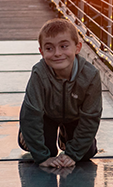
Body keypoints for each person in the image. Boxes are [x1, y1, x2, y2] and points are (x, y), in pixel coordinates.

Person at [18, 18, 102, 169]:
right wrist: (42, 158)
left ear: (77, 47)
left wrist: (73, 154)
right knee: (46, 151)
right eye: (49, 49)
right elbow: (30, 113)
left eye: (64, 46)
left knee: (86, 153)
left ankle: (65, 134)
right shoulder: (39, 73)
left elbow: (91, 117)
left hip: (74, 116)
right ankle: (27, 136)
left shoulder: (90, 75)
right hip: (47, 115)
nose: (57, 53)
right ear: (41, 52)